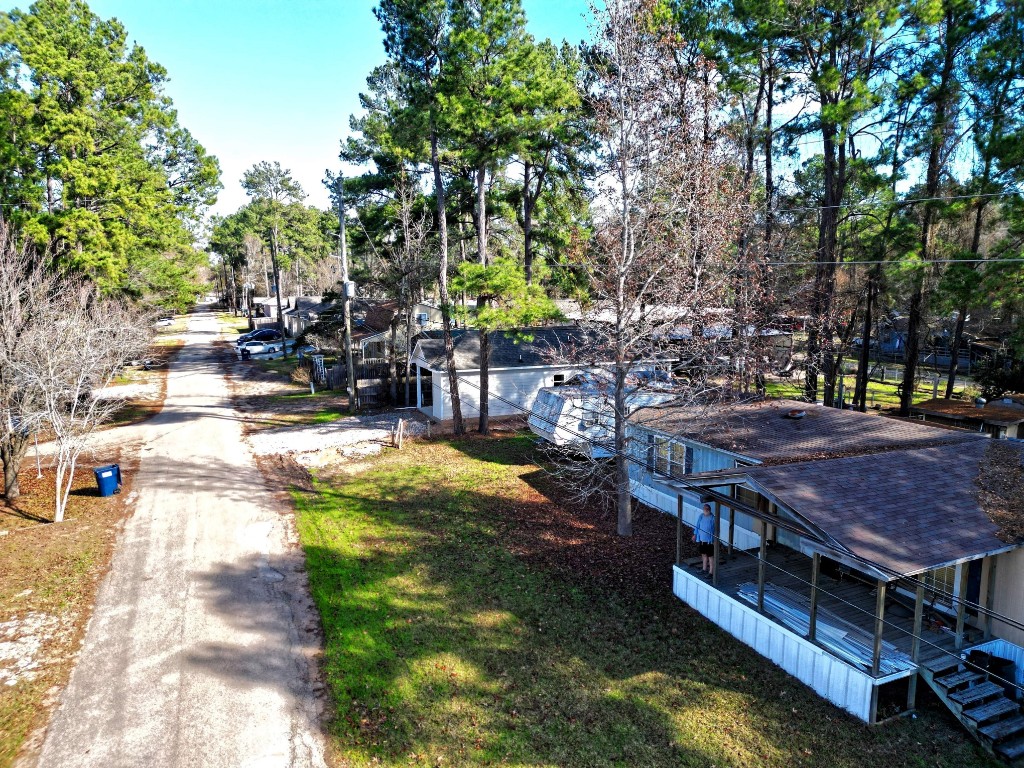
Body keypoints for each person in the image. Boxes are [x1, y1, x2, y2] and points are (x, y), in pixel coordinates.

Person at [693, 503, 716, 576]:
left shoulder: (713, 518)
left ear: (709, 510)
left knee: (710, 556)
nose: (705, 510)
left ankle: (711, 572)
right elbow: (697, 526)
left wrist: (714, 540)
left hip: (709, 541)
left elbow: (715, 529)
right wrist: (695, 534)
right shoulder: (701, 516)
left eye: (707, 509)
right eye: (704, 509)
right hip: (702, 540)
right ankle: (704, 569)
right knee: (703, 554)